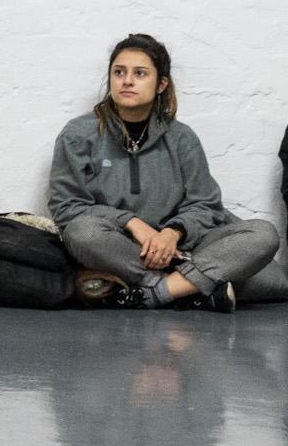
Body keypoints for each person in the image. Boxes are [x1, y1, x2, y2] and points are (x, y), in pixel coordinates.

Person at [49, 33, 279, 311]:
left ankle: (158, 291)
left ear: (161, 84)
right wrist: (132, 223)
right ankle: (190, 288)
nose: (127, 81)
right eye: (118, 72)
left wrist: (172, 233)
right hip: (123, 250)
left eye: (140, 73)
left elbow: (205, 205)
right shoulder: (78, 134)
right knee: (81, 232)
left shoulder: (182, 138)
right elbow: (67, 206)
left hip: (186, 250)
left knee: (264, 234)